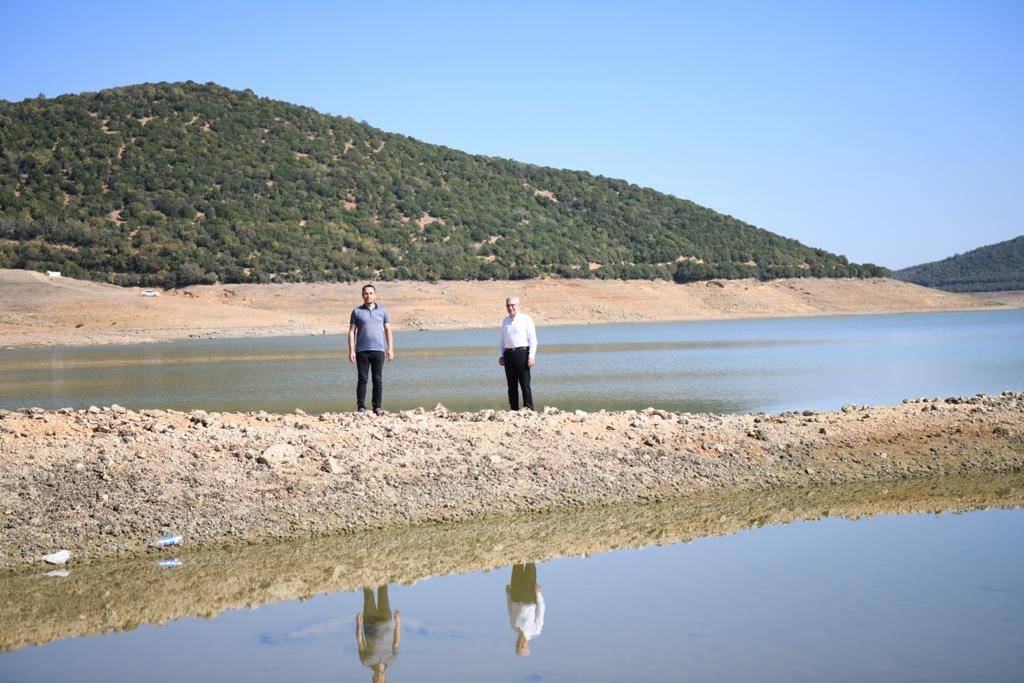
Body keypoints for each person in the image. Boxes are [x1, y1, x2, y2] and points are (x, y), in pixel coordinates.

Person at [348, 284, 394, 415]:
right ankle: (361, 406)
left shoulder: (383, 311)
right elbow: (351, 332)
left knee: (377, 379)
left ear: (375, 295)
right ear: (362, 295)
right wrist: (351, 350)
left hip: (378, 350)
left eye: (371, 293)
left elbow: (388, 330)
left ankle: (377, 407)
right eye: (366, 293)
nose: (368, 296)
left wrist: (390, 348)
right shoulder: (356, 312)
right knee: (362, 379)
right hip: (361, 351)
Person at [498, 296, 537, 411]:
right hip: (508, 354)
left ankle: (528, 409)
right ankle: (514, 410)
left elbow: (533, 340)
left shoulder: (526, 319)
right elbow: (502, 340)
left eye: (512, 305)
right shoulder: (505, 321)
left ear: (518, 305)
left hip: (522, 353)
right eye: (508, 305)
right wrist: (501, 355)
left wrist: (531, 356)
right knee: (511, 386)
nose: (510, 308)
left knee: (525, 384)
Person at [356, 585, 401, 683]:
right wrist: (398, 622)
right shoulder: (392, 660)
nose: (378, 677)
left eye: (376, 680)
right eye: (381, 680)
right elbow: (396, 642)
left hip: (369, 621)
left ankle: (366, 575)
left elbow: (360, 641)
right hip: (385, 621)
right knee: (383, 591)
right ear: (385, 679)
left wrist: (358, 625)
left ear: (373, 678)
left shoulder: (366, 661)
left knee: (368, 593)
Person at [506, 562, 544, 656]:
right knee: (530, 564)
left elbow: (510, 608)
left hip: (515, 594)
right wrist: (538, 594)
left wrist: (508, 594)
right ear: (528, 645)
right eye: (522, 645)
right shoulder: (535, 630)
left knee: (516, 564)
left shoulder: (514, 627)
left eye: (517, 645)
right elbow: (541, 610)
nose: (520, 643)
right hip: (529, 596)